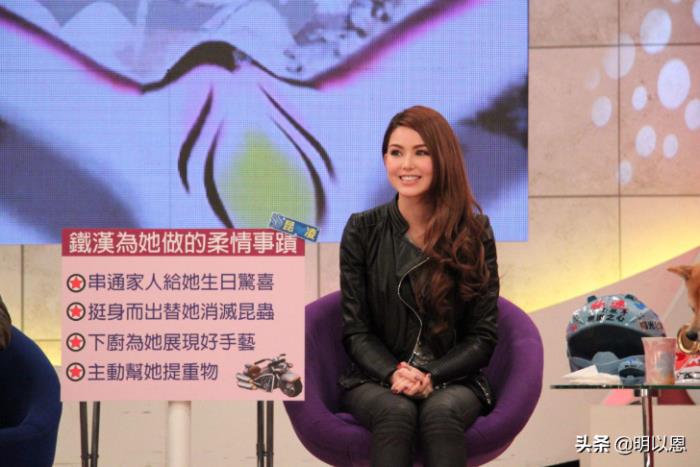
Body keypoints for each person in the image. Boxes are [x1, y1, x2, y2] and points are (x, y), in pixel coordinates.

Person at [338, 106, 500, 467]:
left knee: (440, 412)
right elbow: (356, 331)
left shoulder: (475, 232)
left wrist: (432, 375)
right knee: (396, 412)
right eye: (396, 152)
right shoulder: (362, 230)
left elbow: (482, 336)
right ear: (385, 159)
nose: (406, 165)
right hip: (375, 377)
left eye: (421, 152)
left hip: (454, 378)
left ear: (443, 159)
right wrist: (394, 373)